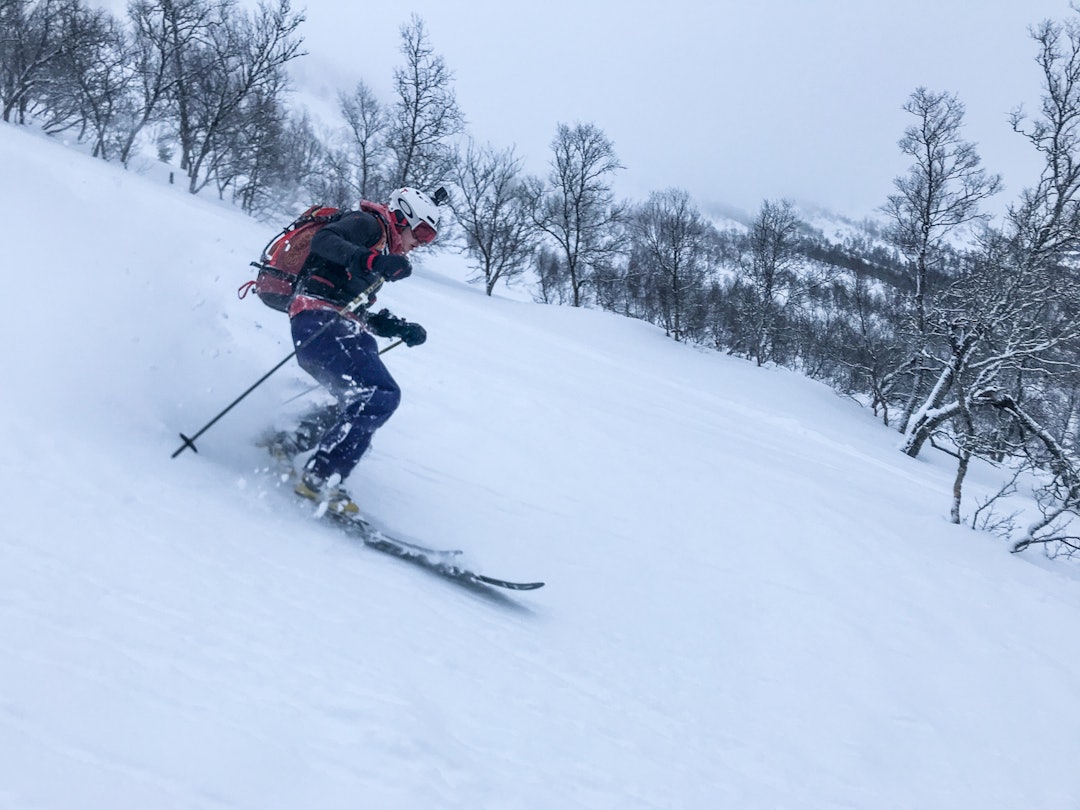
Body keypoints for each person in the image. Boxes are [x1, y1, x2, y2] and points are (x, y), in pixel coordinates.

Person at [285, 187, 441, 514]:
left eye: (430, 238)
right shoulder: (368, 224)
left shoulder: (380, 247)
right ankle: (320, 478)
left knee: (355, 399)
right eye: (422, 231)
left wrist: (397, 327)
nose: (421, 242)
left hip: (329, 324)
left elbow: (354, 307)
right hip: (320, 322)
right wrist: (372, 259)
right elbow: (324, 241)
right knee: (379, 394)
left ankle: (284, 440)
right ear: (402, 216)